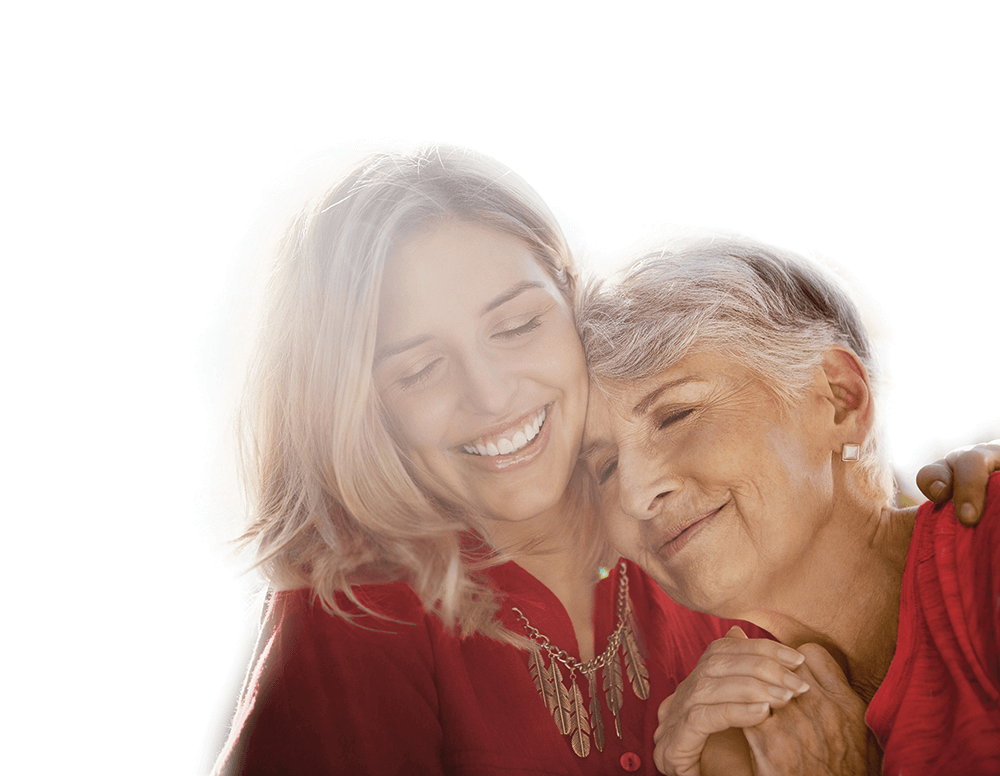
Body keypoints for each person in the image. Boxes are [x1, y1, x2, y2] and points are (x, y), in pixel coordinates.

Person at [212, 148, 889, 775]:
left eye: (517, 327)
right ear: (362, 410)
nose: (491, 395)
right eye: (419, 370)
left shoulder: (699, 521)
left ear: (572, 301)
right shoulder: (355, 614)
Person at [577, 234, 1000, 775]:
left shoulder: (984, 549)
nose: (636, 495)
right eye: (605, 468)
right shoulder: (736, 741)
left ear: (839, 399)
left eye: (676, 415)